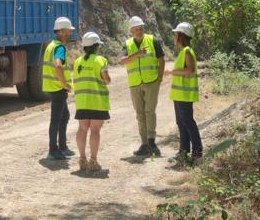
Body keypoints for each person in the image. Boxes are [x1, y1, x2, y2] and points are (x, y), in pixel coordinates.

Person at [119, 16, 166, 157]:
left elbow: (161, 60)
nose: (139, 31)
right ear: (131, 31)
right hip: (135, 84)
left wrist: (159, 78)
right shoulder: (127, 44)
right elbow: (122, 61)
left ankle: (152, 142)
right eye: (136, 29)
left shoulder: (153, 40)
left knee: (149, 112)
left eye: (140, 29)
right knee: (140, 114)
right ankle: (144, 144)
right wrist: (138, 54)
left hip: (151, 82)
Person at [73, 32, 112, 172]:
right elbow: (106, 79)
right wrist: (106, 80)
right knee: (95, 130)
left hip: (82, 102)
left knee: (82, 129)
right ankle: (93, 161)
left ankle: (82, 159)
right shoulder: (100, 60)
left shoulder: (77, 62)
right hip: (97, 101)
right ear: (96, 46)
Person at [167, 22, 202, 165]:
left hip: (184, 96)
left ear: (181, 36)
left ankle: (197, 153)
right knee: (181, 123)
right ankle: (183, 152)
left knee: (188, 122)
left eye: (176, 34)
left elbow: (190, 70)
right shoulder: (183, 52)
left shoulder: (187, 51)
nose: (174, 36)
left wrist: (171, 71)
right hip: (179, 95)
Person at [43, 17, 76, 161]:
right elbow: (57, 65)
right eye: (68, 30)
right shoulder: (59, 47)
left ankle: (62, 146)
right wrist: (64, 84)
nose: (70, 33)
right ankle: (53, 150)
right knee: (56, 120)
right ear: (61, 31)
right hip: (58, 89)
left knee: (64, 117)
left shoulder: (51, 45)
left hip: (53, 88)